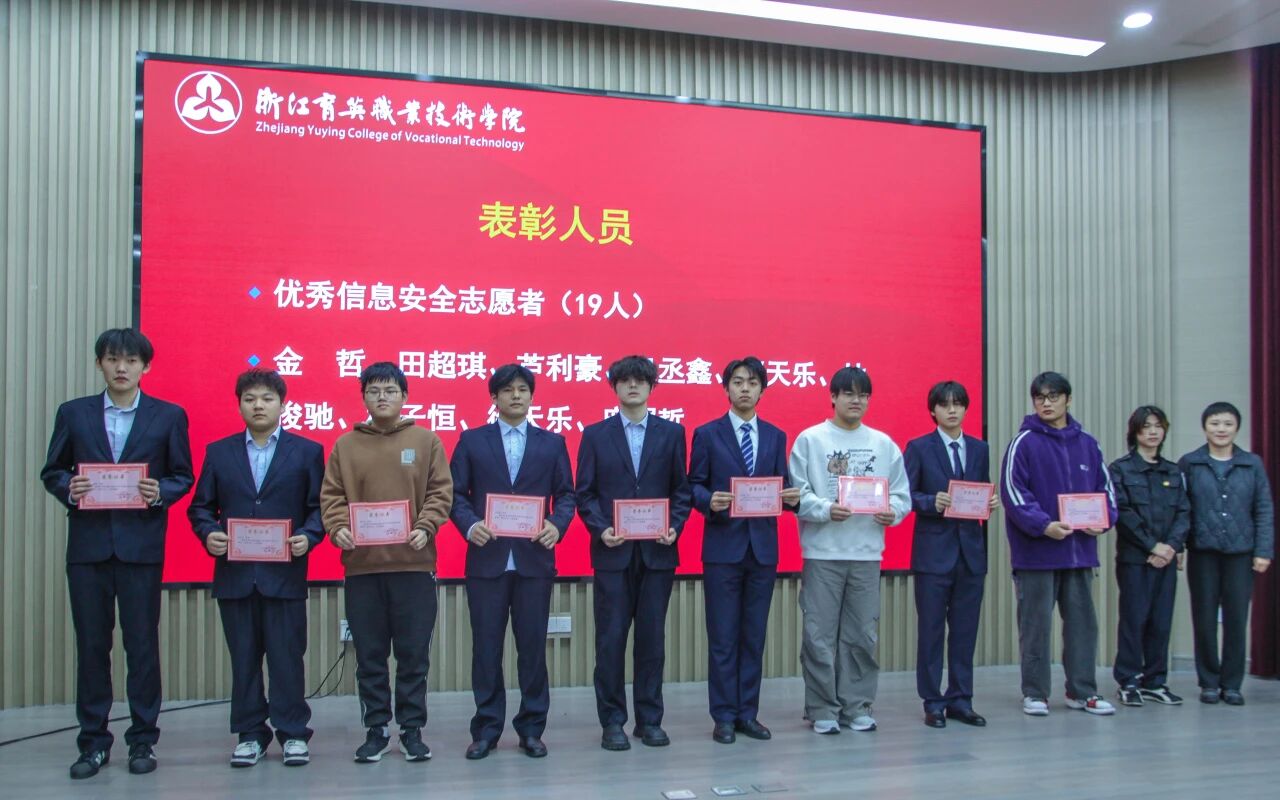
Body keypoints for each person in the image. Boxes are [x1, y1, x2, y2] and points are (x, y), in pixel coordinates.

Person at [41, 328, 194, 779]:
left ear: (146, 366)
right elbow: (52, 470)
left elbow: (182, 475)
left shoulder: (168, 416)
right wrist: (68, 487)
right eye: (112, 359)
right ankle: (93, 743)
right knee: (92, 646)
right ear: (99, 364)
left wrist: (158, 492)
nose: (121, 367)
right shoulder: (74, 413)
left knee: (141, 645)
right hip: (88, 549)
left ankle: (143, 739)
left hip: (140, 548)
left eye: (130, 360)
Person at [187, 369, 326, 767]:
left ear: (282, 404)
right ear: (240, 406)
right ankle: (250, 734)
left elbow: (319, 508)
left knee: (287, 658)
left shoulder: (307, 451)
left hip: (284, 574)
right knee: (244, 659)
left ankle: (293, 732)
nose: (258, 405)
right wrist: (209, 533)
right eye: (250, 399)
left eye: (267, 398)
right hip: (235, 575)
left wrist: (309, 535)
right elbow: (200, 508)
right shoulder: (219, 452)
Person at [320, 362, 453, 763]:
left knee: (413, 656)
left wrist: (426, 526)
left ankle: (412, 730)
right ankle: (376, 729)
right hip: (363, 568)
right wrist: (338, 528)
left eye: (390, 390)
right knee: (370, 655)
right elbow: (331, 497)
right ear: (363, 397)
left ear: (404, 396)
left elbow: (440, 493)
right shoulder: (345, 446)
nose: (382, 397)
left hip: (414, 567)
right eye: (374, 391)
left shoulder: (426, 441)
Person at [449, 364, 576, 760]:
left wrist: (557, 524)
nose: (516, 395)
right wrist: (471, 525)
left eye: (522, 389)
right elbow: (455, 495)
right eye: (507, 390)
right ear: (494, 398)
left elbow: (566, 495)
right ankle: (486, 729)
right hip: (487, 560)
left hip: (534, 561)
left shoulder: (552, 443)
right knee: (486, 648)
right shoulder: (472, 441)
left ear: (532, 396)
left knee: (533, 649)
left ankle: (532, 728)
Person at [576, 355, 692, 752]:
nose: (632, 386)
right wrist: (600, 527)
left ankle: (650, 720)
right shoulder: (595, 435)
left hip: (658, 553)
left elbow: (681, 491)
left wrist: (675, 525)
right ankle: (612, 721)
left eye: (640, 380)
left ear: (651, 387)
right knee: (610, 640)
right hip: (613, 552)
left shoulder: (672, 433)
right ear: (614, 387)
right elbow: (585, 493)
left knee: (651, 640)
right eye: (625, 380)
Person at [788, 366, 909, 735]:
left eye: (863, 395)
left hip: (867, 554)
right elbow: (797, 494)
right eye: (849, 393)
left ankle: (857, 705)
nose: (857, 400)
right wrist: (826, 509)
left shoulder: (883, 444)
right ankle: (822, 708)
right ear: (833, 397)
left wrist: (893, 512)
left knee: (862, 635)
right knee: (818, 635)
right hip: (822, 553)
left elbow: (901, 495)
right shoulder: (810, 440)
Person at [688, 356, 801, 744]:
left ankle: (747, 714)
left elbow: (782, 485)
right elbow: (693, 485)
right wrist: (708, 500)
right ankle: (722, 716)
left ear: (762, 390)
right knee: (722, 637)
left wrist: (791, 499)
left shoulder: (775, 436)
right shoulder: (707, 434)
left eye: (752, 383)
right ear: (726, 388)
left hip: (762, 551)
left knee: (753, 637)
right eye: (737, 382)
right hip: (722, 549)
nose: (745, 389)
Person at [1000, 371, 1117, 717]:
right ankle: (1035, 693)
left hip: (1080, 555)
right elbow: (1013, 493)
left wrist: (1103, 521)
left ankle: (1083, 692)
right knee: (1035, 627)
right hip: (1036, 555)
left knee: (1083, 627)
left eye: (1053, 396)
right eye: (1040, 398)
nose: (1046, 403)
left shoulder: (1088, 444)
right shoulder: (1023, 443)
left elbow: (1106, 492)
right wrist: (1043, 525)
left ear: (1068, 399)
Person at [903, 380, 996, 729]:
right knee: (930, 632)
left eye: (958, 403)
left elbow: (980, 490)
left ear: (967, 408)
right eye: (945, 404)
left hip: (971, 554)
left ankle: (961, 699)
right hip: (933, 555)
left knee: (965, 632)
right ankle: (933, 701)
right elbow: (905, 494)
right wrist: (931, 501)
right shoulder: (919, 448)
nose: (952, 410)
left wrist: (989, 502)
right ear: (933, 410)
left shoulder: (980, 448)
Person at [1179, 401, 1274, 705]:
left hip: (1241, 554)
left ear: (1236, 428)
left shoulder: (1252, 464)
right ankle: (1208, 682)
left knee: (1236, 618)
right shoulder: (1190, 463)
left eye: (1228, 424)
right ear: (1205, 427)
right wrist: (1178, 546)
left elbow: (1263, 508)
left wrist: (1263, 551)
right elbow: (1180, 509)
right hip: (1202, 553)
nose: (1221, 429)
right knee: (1204, 618)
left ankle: (1232, 684)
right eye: (1215, 423)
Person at [1108, 405, 1190, 707]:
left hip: (1166, 558)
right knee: (1134, 619)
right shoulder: (1120, 469)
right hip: (1135, 559)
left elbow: (1184, 512)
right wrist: (1152, 546)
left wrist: (1171, 547)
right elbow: (1123, 513)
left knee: (1161, 621)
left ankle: (1155, 681)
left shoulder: (1173, 470)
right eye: (1146, 426)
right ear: (1135, 432)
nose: (1153, 432)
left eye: (1158, 426)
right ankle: (1129, 680)